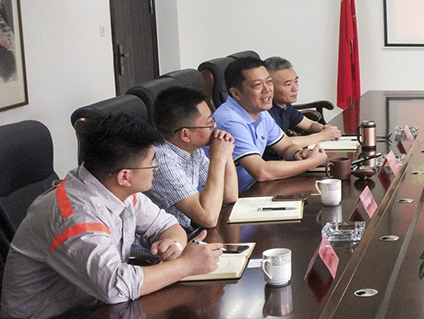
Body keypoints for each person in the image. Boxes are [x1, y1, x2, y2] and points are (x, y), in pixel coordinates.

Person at [0, 114, 223, 319]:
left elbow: (168, 225)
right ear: (125, 176)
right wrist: (186, 264)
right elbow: (115, 287)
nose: (156, 168)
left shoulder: (114, 187)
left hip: (95, 313)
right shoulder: (76, 215)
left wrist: (173, 244)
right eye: (152, 163)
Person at [213, 56, 327, 192]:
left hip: (255, 187)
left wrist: (299, 153)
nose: (267, 89)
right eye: (257, 85)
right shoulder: (229, 120)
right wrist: (311, 162)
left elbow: (286, 147)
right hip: (234, 197)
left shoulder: (260, 111)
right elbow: (261, 172)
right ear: (236, 93)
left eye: (269, 82)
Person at [145, 86, 239, 229]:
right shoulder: (161, 161)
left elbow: (230, 195)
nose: (215, 126)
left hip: (184, 233)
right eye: (209, 123)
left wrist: (225, 152)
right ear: (185, 134)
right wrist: (218, 158)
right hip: (161, 241)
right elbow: (208, 218)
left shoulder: (193, 150)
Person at [263, 56, 342, 158]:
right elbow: (284, 143)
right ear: (270, 87)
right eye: (288, 84)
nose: (295, 88)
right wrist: (322, 136)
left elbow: (309, 125)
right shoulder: (264, 111)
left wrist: (325, 129)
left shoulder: (285, 105)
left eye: (296, 81)